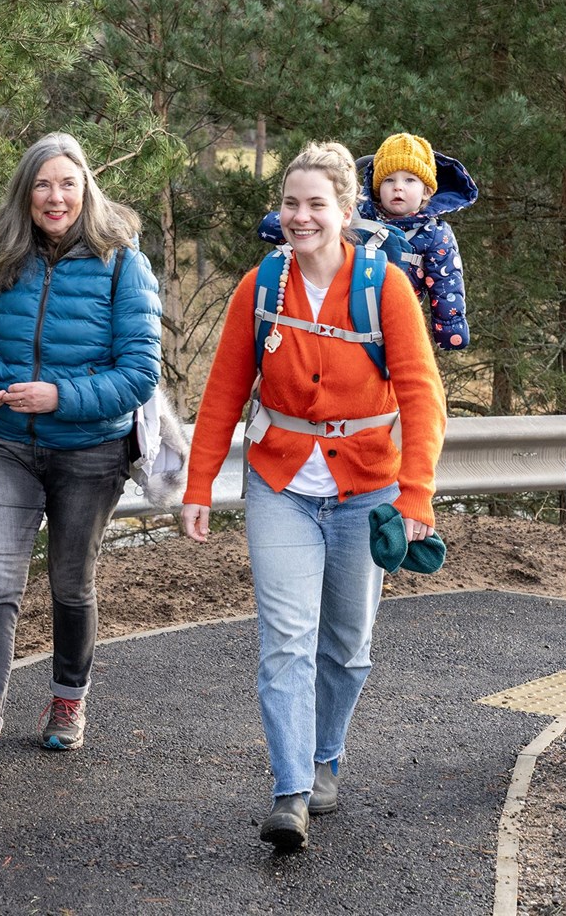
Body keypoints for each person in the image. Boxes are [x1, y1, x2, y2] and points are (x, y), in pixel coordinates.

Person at [181, 141, 446, 850]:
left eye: (315, 205)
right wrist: (199, 483)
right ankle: (291, 789)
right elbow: (223, 393)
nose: (301, 217)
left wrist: (416, 495)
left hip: (367, 485)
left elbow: (422, 396)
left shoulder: (383, 286)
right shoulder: (260, 288)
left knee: (348, 647)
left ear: (345, 211)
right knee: (285, 642)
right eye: (291, 204)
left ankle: (327, 757)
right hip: (281, 483)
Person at [0, 132, 162, 787]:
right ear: (26, 193)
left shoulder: (123, 263)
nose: (55, 196)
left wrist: (61, 396)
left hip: (90, 454)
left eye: (68, 183)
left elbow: (140, 373)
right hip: (4, 443)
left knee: (70, 585)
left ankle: (69, 695)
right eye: (43, 184)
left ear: (86, 188)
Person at [256, 132, 477, 351]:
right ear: (377, 187)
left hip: (395, 316)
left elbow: (446, 282)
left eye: (410, 180)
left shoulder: (435, 234)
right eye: (389, 180)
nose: (398, 187)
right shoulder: (358, 215)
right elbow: (307, 226)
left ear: (427, 190)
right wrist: (282, 223)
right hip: (341, 309)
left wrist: (450, 329)